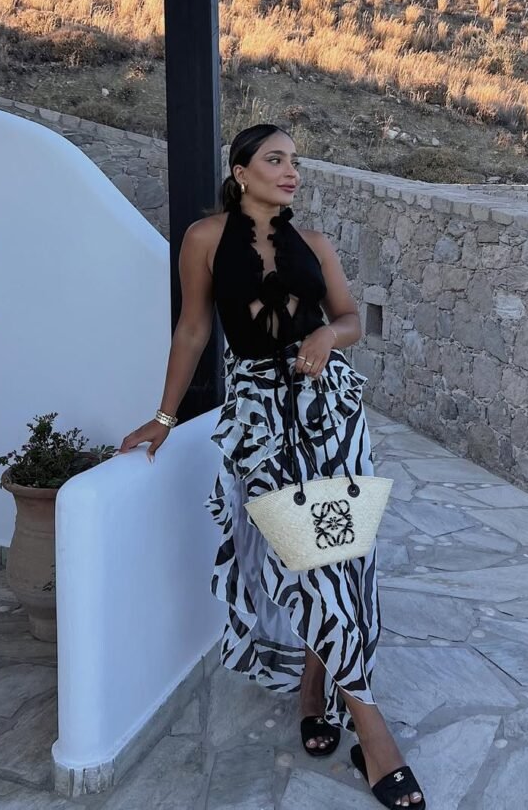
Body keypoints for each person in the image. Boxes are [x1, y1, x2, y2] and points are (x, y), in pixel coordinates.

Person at [118, 124, 425, 808]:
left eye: (295, 163)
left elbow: (350, 318)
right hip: (259, 418)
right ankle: (373, 733)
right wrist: (164, 416)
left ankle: (316, 690)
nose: (291, 172)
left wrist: (326, 334)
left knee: (338, 560)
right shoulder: (204, 238)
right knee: (305, 557)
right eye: (275, 160)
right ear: (241, 171)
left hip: (332, 414)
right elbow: (193, 328)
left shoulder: (314, 243)